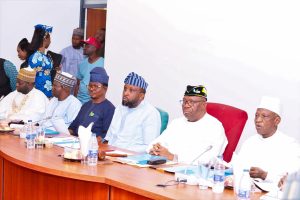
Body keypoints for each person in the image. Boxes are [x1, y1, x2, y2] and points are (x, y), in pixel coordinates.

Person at [147, 85, 228, 164]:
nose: (186, 105)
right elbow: (156, 142)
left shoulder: (214, 127)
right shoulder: (176, 123)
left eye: (192, 102)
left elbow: (209, 159)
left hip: (191, 174)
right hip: (164, 168)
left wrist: (173, 157)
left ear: (204, 105)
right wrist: (155, 148)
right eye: (184, 101)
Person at [236, 96, 300, 187]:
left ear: (276, 120)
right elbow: (238, 169)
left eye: (264, 116)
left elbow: (293, 181)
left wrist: (265, 175)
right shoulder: (249, 142)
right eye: (256, 115)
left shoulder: (290, 145)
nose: (258, 120)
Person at [104, 72, 161, 152]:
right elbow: (109, 138)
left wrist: (122, 152)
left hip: (130, 158)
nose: (125, 93)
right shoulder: (120, 108)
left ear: (141, 96)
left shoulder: (150, 114)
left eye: (131, 90)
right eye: (125, 89)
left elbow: (150, 147)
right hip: (111, 154)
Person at [69, 67, 115, 141]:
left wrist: (91, 141)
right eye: (90, 85)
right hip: (76, 143)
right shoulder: (85, 105)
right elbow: (72, 127)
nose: (92, 89)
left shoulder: (109, 109)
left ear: (105, 88)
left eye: (96, 86)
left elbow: (106, 135)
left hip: (93, 147)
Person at [74, 37, 104, 104]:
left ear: (95, 48)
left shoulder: (103, 63)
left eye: (87, 45)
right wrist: (75, 101)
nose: (84, 47)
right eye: (84, 45)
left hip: (93, 102)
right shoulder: (82, 64)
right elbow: (78, 84)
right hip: (79, 101)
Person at [28, 24, 53, 98]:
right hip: (39, 95)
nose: (50, 41)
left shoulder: (44, 56)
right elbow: (31, 77)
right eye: (50, 38)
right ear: (45, 38)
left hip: (47, 93)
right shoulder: (35, 57)